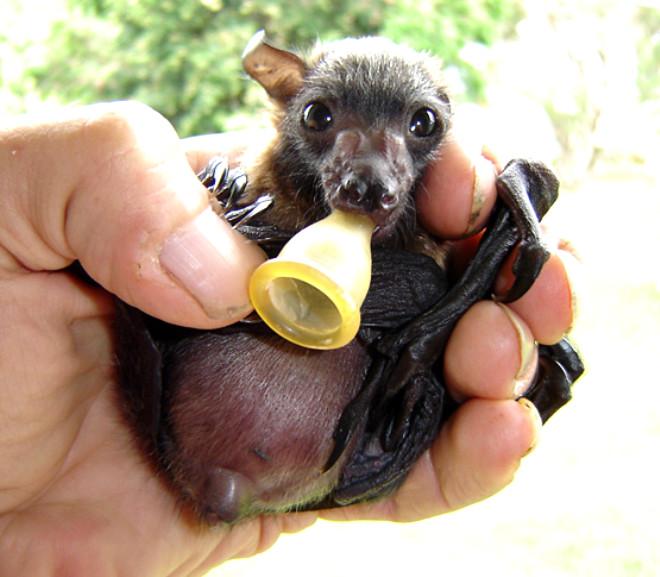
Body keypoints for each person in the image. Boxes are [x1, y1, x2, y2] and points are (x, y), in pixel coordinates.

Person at [0, 101, 576, 575]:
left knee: (434, 292)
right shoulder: (248, 199)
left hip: (280, 446)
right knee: (426, 288)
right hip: (276, 435)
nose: (367, 168)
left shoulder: (423, 245)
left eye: (417, 127)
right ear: (283, 113)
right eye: (324, 120)